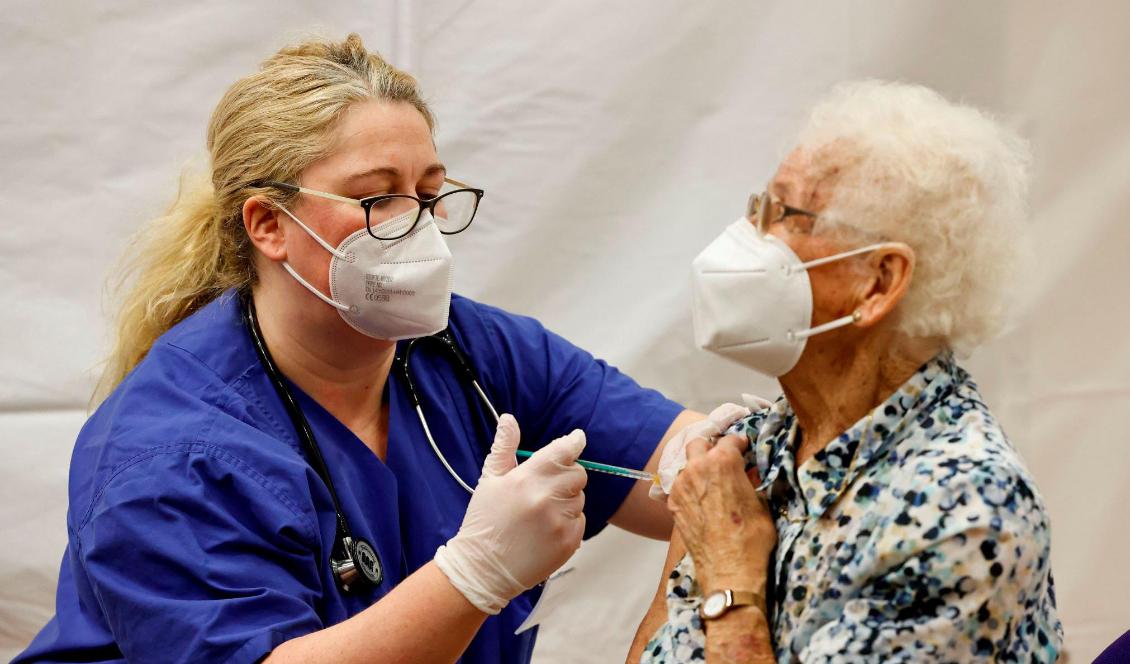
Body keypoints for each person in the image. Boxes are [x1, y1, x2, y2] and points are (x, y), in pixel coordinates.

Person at [16, 34, 699, 664]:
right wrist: (474, 574)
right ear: (267, 224)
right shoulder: (171, 452)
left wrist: (727, 453)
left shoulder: (465, 353)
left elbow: (691, 472)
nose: (418, 226)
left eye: (428, 195)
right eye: (377, 199)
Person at [630, 81, 1063, 662]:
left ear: (878, 283)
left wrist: (729, 574)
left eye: (786, 215)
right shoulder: (766, 446)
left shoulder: (962, 508)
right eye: (758, 207)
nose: (748, 237)